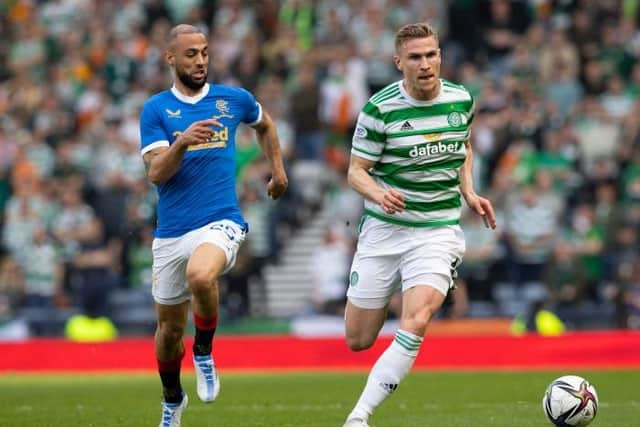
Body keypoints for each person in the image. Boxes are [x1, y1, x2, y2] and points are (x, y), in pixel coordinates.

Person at [341, 23, 496, 427]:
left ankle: (358, 417)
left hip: (437, 229)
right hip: (384, 229)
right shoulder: (380, 109)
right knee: (358, 340)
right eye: (415, 57)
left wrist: (469, 191)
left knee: (417, 319)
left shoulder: (462, 99)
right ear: (399, 63)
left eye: (431, 55)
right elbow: (356, 171)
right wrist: (378, 194)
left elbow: (463, 146)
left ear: (440, 56)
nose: (425, 64)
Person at [139, 24, 288, 427]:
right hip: (171, 233)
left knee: (201, 276)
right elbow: (156, 173)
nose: (201, 60)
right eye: (191, 54)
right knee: (169, 333)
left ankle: (203, 351)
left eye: (204, 52)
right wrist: (182, 142)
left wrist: (277, 170)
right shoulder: (156, 110)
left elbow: (266, 125)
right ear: (171, 59)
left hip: (220, 220)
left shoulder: (232, 99)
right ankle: (172, 399)